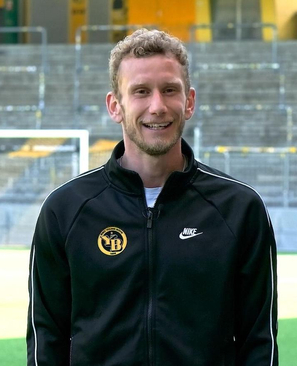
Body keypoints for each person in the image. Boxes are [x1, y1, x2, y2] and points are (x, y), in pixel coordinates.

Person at [27, 29, 278, 365]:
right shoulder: (65, 209)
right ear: (115, 106)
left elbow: (260, 341)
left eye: (169, 90)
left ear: (189, 101)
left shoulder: (240, 208)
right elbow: (47, 338)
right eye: (141, 92)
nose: (157, 106)